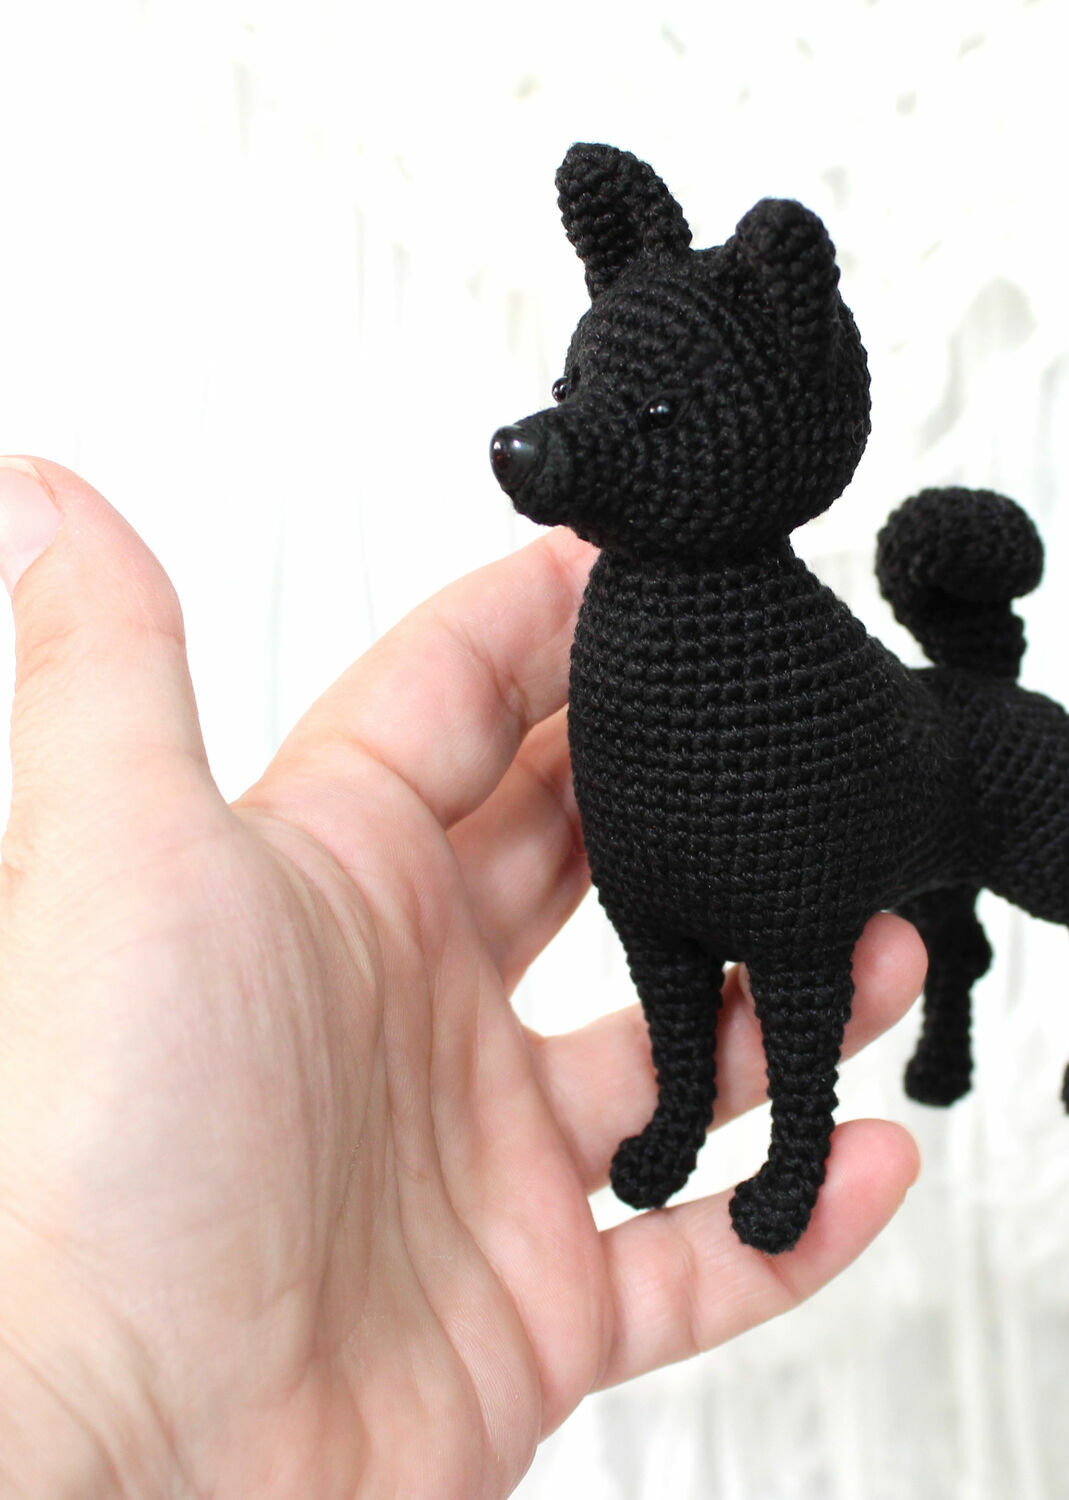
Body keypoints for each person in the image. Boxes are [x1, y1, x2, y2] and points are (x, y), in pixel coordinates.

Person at [0, 457, 925, 1498]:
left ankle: (797, 1148)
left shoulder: (790, 642)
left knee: (810, 965)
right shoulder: (627, 625)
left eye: (656, 425)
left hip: (793, 856)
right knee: (679, 971)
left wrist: (89, 1403)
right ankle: (679, 1117)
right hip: (661, 861)